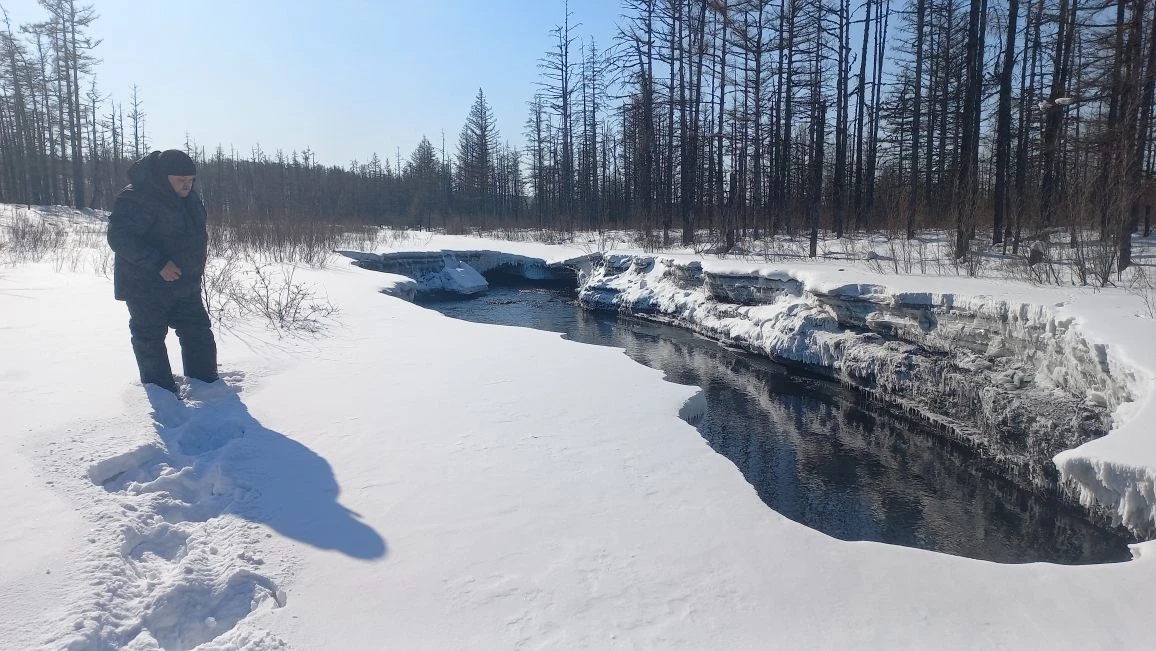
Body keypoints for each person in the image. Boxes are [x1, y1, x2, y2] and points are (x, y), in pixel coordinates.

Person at [107, 149, 218, 394]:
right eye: (180, 181)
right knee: (150, 337)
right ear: (163, 176)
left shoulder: (189, 199)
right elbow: (119, 237)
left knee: (198, 331)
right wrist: (158, 264)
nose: (187, 185)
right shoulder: (135, 198)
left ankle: (207, 386)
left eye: (190, 180)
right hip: (145, 284)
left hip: (185, 282)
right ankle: (162, 394)